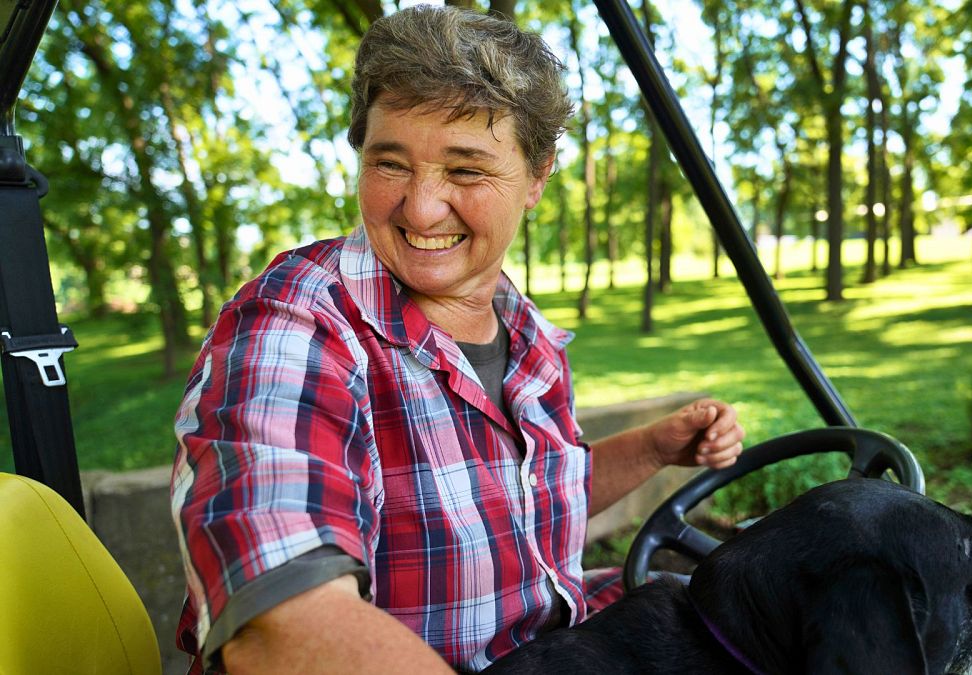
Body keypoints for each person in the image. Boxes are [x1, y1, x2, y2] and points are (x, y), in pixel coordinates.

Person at [170, 5, 745, 674]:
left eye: (465, 170)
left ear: (536, 176)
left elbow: (518, 506)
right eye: (391, 164)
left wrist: (652, 448)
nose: (420, 207)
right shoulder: (292, 324)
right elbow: (280, 625)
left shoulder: (527, 333)